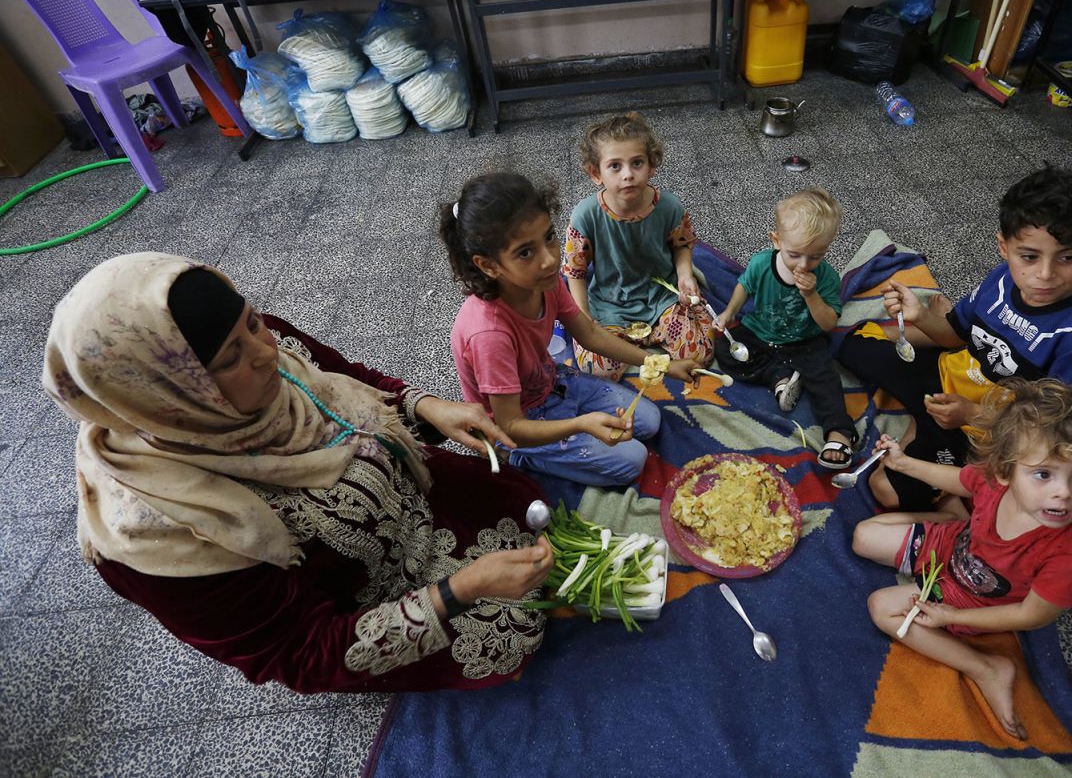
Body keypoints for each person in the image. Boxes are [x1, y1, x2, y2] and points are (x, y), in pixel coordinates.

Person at [42, 252, 555, 693]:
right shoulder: (159, 532)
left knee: (520, 502)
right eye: (230, 359)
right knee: (510, 632)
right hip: (360, 602)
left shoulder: (258, 345)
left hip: (401, 498)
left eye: (251, 323)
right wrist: (455, 592)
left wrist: (424, 408)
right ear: (166, 394)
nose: (268, 353)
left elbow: (349, 378)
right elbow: (299, 654)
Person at [851, 378, 1072, 740]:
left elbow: (1030, 615)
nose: (1063, 493)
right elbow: (961, 481)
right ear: (1005, 471)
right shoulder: (994, 483)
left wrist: (954, 615)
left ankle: (985, 668)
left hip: (971, 597)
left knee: (881, 607)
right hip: (953, 545)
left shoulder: (1071, 553)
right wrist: (903, 464)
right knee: (862, 537)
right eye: (1044, 474)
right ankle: (953, 519)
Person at [837, 166, 1072, 511]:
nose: (1044, 275)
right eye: (1029, 257)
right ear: (1004, 246)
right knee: (849, 343)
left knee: (887, 491)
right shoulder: (1002, 278)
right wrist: (923, 316)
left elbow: (1057, 435)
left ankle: (951, 482)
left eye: (1068, 258)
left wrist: (972, 414)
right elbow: (957, 334)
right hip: (945, 377)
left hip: (991, 433)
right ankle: (923, 428)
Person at [442, 172, 696, 488]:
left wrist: (662, 364)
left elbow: (588, 333)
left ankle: (565, 421)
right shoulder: (489, 335)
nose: (550, 260)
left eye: (549, 237)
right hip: (516, 426)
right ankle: (516, 456)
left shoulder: (544, 283)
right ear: (489, 265)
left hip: (550, 382)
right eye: (525, 252)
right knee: (632, 461)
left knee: (650, 421)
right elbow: (509, 422)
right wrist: (580, 425)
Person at [561, 112, 716, 380]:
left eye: (637, 163)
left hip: (661, 297)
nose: (628, 175)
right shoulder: (584, 216)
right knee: (597, 368)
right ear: (595, 173)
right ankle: (634, 346)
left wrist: (685, 275)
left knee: (699, 355)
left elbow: (682, 244)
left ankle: (641, 343)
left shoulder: (670, 206)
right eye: (615, 166)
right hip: (610, 304)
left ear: (652, 165)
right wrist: (583, 315)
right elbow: (575, 272)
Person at [713, 188, 858, 470]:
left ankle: (839, 432)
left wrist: (811, 296)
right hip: (761, 331)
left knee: (826, 378)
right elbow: (745, 286)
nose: (804, 265)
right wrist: (729, 312)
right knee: (726, 349)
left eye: (815, 256)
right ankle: (779, 378)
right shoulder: (761, 264)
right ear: (776, 241)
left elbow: (829, 324)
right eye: (795, 255)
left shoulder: (826, 278)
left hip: (806, 340)